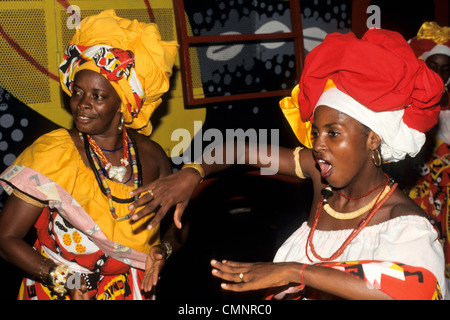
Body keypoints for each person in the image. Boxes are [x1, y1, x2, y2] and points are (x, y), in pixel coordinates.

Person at [129, 28, 447, 299]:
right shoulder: (319, 173)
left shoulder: (405, 222)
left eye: (333, 133)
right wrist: (194, 172)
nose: (318, 144)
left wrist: (295, 272)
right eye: (316, 132)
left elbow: (416, 288)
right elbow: (238, 150)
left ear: (373, 139)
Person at [0, 9, 185, 300]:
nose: (81, 104)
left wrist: (164, 249)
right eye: (77, 92)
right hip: (57, 288)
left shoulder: (152, 158)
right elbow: (6, 239)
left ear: (123, 104)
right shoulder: (54, 153)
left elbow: (178, 228)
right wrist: (63, 278)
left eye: (97, 96)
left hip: (128, 291)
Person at [408, 22, 450, 285]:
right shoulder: (409, 104)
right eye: (433, 67)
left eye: (447, 69)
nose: (440, 74)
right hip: (418, 191)